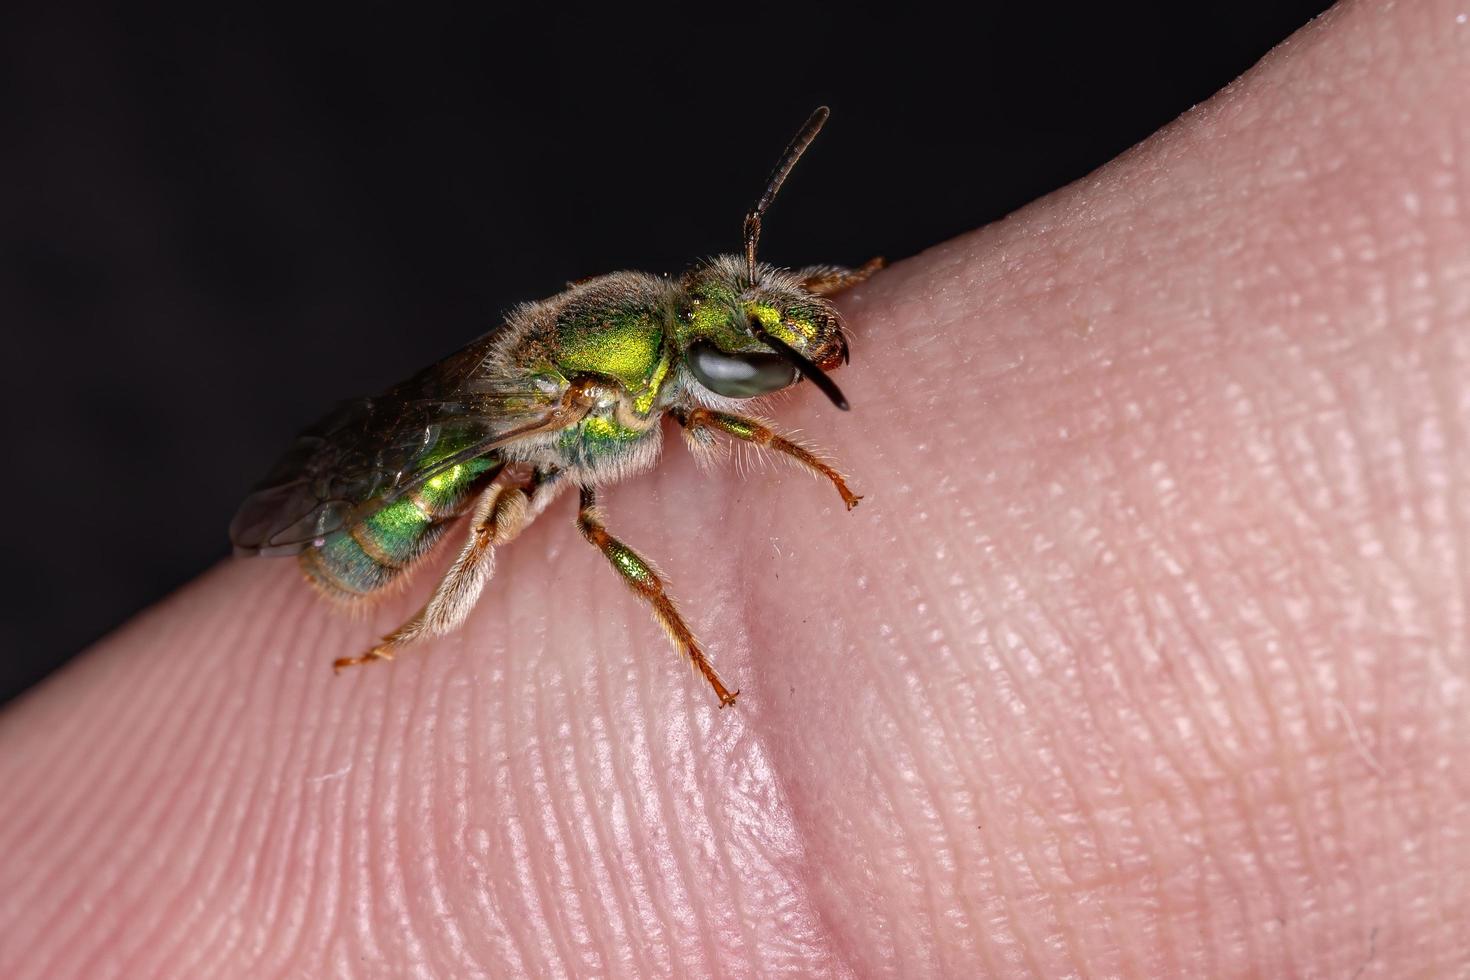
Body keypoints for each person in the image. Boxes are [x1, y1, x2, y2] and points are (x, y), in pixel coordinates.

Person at [1, 2, 1464, 974]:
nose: (751, 313)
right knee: (529, 516)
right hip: (407, 482)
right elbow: (678, 420)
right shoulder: (603, 386)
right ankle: (427, 627)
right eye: (744, 321)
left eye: (751, 308)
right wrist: (781, 465)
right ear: (644, 370)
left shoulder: (660, 313)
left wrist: (818, 317)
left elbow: (728, 318)